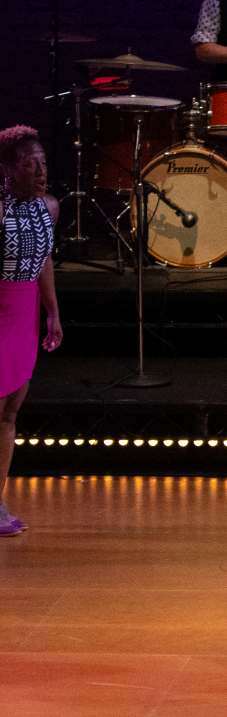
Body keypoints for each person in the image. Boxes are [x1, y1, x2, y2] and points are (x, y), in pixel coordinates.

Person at [0, 126, 61, 537]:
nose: (40, 172)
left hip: (25, 312)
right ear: (8, 168)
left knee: (10, 411)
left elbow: (43, 261)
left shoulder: (48, 207)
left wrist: (53, 313)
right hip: (0, 309)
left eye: (43, 163)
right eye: (29, 164)